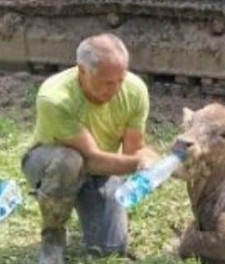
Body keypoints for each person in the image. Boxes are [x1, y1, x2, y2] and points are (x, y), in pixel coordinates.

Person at [21, 33, 159, 264]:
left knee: (109, 247)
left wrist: (157, 162)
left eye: (120, 80)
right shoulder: (55, 97)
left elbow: (132, 151)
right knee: (69, 162)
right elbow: (91, 158)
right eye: (107, 82)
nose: (115, 89)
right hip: (49, 161)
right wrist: (141, 164)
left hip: (101, 171)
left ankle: (85, 201)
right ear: (82, 71)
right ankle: (52, 238)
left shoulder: (135, 91)